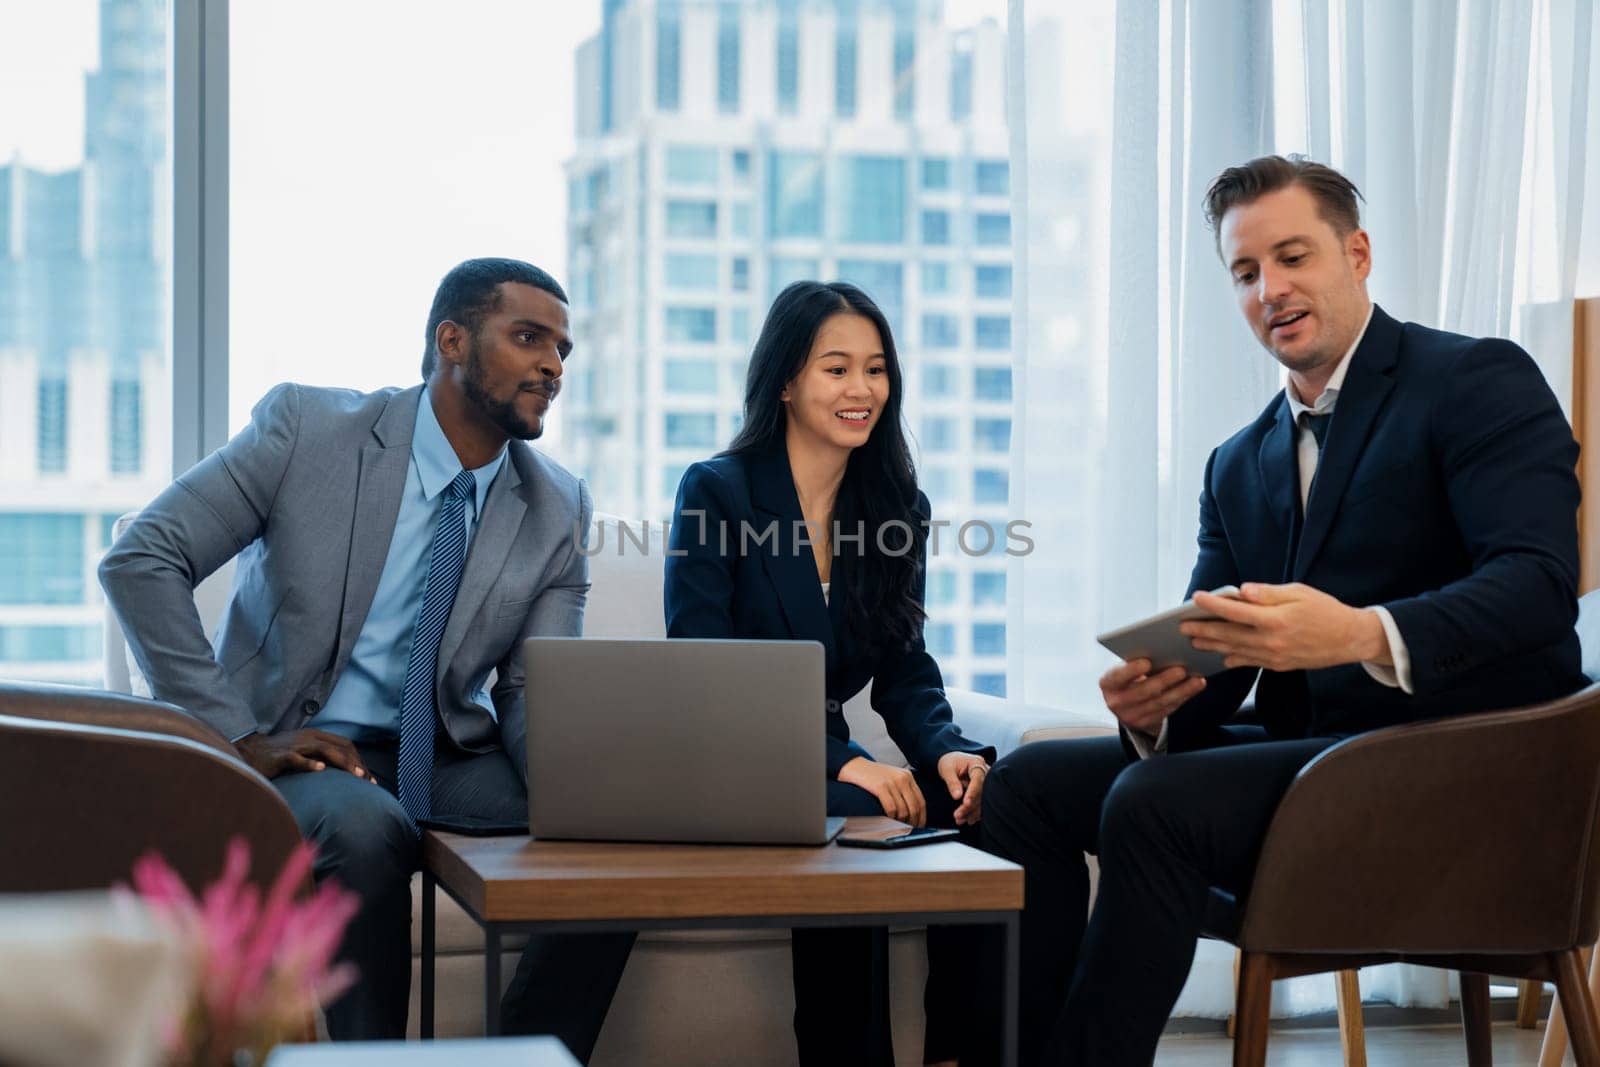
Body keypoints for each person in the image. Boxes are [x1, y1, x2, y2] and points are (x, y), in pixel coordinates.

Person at [979, 155, 1586, 1065]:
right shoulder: (1237, 461)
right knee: (1026, 784)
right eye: (1246, 271)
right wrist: (1159, 702)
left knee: (1154, 803)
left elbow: (1539, 583)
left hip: (1466, 772)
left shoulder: (1475, 379)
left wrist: (1357, 631)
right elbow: (1222, 674)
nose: (1272, 288)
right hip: (1315, 764)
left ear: (1358, 252)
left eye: (1293, 256)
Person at [100, 257, 599, 1041]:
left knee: (616, 821)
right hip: (300, 750)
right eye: (529, 337)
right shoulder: (308, 431)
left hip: (441, 752)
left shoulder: (557, 502)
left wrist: (573, 795)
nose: (551, 365)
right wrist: (239, 737)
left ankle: (530, 1050)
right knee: (366, 826)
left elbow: (531, 688)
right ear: (453, 340)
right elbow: (142, 561)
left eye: (563, 351)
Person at [666, 280, 998, 1066]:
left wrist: (946, 748)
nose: (862, 390)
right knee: (861, 808)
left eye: (876, 369)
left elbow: (905, 663)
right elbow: (703, 669)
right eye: (836, 368)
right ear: (786, 380)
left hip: (826, 760)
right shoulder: (718, 490)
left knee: (986, 795)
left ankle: (959, 1051)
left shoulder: (895, 506)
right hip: (730, 756)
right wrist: (841, 757)